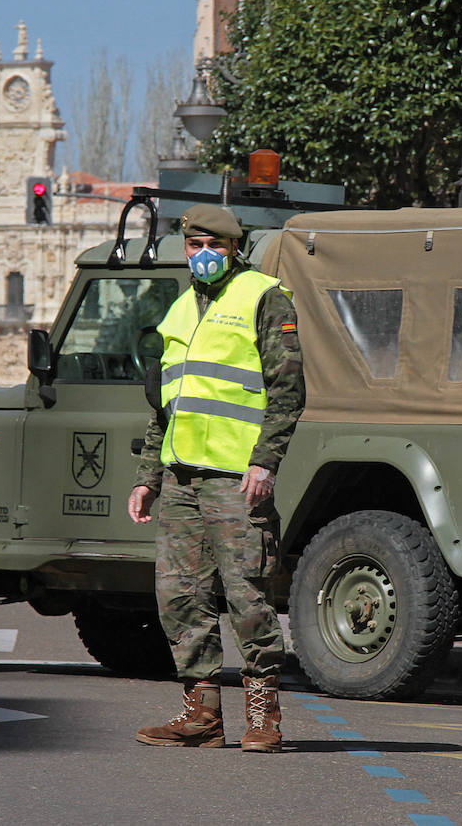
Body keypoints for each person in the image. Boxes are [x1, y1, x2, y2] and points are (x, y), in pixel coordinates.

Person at [128, 203, 305, 752]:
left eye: (214, 246)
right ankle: (201, 715)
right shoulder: (180, 309)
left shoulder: (263, 296)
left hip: (235, 476)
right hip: (181, 478)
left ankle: (263, 717)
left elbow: (288, 390)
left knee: (246, 594)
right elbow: (165, 405)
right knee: (179, 596)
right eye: (193, 246)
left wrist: (264, 460)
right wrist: (147, 477)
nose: (202, 255)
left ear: (234, 248)